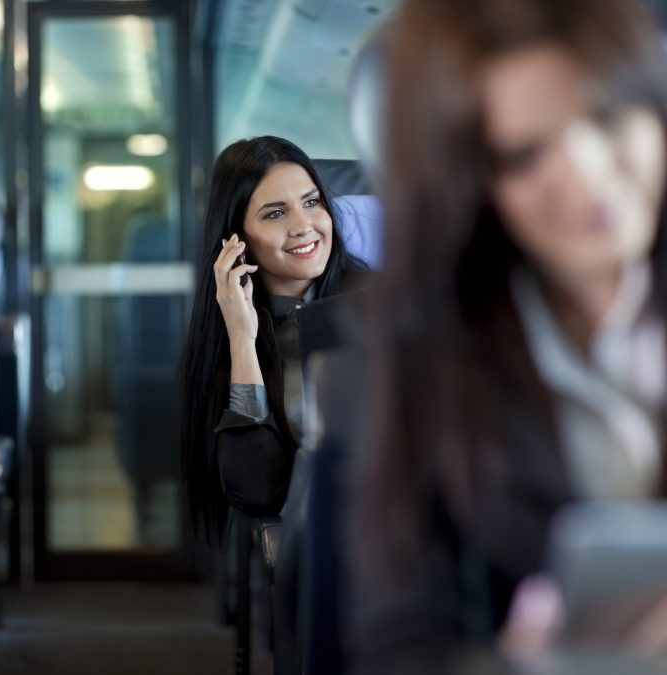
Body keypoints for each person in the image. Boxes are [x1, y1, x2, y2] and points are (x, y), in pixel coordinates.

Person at [350, 0, 667, 670]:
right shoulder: (417, 358)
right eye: (524, 155)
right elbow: (397, 644)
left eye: (608, 117)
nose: (586, 173)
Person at [180, 135, 367, 540]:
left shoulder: (380, 304)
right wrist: (243, 341)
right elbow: (257, 491)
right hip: (317, 545)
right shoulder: (233, 328)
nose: (303, 226)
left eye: (312, 202)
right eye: (275, 213)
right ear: (236, 238)